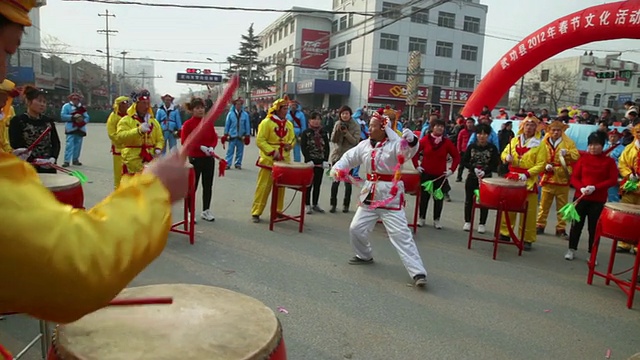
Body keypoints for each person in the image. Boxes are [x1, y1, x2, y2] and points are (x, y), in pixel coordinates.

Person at [0, 0, 190, 327]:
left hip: (144, 160)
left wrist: (155, 142)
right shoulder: (122, 118)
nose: (6, 68)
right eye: (8, 51)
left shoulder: (157, 119)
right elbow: (75, 268)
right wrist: (153, 189)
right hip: (128, 161)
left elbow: (157, 137)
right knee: (122, 195)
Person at [331, 110, 427, 287]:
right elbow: (349, 157)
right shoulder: (364, 145)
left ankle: (418, 272)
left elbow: (407, 152)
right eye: (370, 125)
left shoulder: (395, 144)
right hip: (370, 193)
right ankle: (364, 255)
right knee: (356, 228)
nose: (370, 128)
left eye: (374, 125)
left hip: (390, 195)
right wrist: (338, 167)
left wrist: (412, 140)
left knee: (401, 234)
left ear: (383, 128)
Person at [565, 131, 618, 261]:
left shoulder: (609, 161)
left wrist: (596, 187)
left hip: (597, 200)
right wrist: (581, 187)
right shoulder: (583, 159)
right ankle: (571, 249)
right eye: (591, 145)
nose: (593, 148)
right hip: (580, 198)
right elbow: (574, 178)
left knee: (594, 228)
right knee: (576, 225)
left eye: (596, 145)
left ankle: (592, 253)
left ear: (602, 145)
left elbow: (612, 179)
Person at [500, 113, 546, 251]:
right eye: (527, 124)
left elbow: (541, 164)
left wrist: (527, 174)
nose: (529, 127)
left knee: (529, 210)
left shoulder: (540, 144)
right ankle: (505, 232)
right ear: (522, 126)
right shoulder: (514, 140)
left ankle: (527, 238)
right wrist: (505, 157)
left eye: (532, 125)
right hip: (512, 177)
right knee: (508, 206)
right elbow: (504, 153)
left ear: (536, 128)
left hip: (529, 180)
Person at [251, 97, 295, 223]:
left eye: (287, 108)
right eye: (284, 108)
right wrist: (272, 151)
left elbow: (292, 138)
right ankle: (256, 212)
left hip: (283, 161)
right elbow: (260, 140)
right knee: (263, 186)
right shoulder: (266, 123)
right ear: (277, 109)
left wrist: (290, 145)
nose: (286, 111)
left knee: (281, 188)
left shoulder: (289, 124)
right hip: (268, 160)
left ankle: (278, 210)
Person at [412, 118, 460, 229]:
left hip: (440, 175)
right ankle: (421, 217)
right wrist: (417, 166)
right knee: (424, 197)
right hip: (426, 174)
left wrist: (451, 170)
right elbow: (414, 152)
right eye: (437, 126)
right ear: (432, 127)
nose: (439, 128)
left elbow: (456, 156)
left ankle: (436, 219)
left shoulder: (447, 142)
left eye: (442, 126)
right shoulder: (425, 140)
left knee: (438, 198)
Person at [536, 120, 580, 239]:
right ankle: (540, 224)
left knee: (562, 205)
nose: (555, 132)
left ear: (562, 131)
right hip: (547, 176)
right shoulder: (544, 142)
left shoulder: (568, 143)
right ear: (549, 131)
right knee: (544, 204)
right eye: (553, 130)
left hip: (562, 177)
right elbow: (538, 156)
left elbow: (576, 156)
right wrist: (545, 165)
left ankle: (561, 228)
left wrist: (567, 154)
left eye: (558, 130)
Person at [181, 97, 218, 222]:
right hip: (195, 159)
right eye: (197, 108)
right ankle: (190, 212)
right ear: (192, 110)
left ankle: (206, 210)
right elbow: (185, 141)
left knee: (208, 185)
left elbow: (214, 137)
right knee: (192, 187)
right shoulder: (188, 124)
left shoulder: (208, 123)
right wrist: (199, 147)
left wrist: (212, 147)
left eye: (202, 107)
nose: (200, 110)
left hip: (208, 158)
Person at [9, 85, 60, 173]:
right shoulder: (18, 121)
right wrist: (34, 160)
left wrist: (53, 158)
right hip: (27, 166)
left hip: (48, 165)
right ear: (28, 102)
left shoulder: (48, 121)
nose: (42, 104)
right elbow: (16, 144)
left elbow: (55, 142)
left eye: (44, 102)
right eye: (39, 101)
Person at [461, 124, 500, 233]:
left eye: (484, 134)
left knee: (484, 201)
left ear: (488, 135)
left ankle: (482, 223)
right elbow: (464, 161)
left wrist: (485, 171)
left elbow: (495, 163)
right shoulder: (471, 147)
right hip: (472, 176)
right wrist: (473, 168)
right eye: (479, 134)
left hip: (486, 179)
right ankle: (468, 221)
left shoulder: (492, 148)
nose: (482, 136)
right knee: (469, 200)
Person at [115, 89, 164, 175]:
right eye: (143, 103)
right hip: (132, 162)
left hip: (150, 161)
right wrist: (138, 131)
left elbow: (160, 139)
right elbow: (120, 137)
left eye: (147, 103)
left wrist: (158, 148)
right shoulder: (126, 121)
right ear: (136, 104)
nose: (146, 106)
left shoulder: (154, 122)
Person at [330, 105, 360, 213]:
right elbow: (333, 139)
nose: (344, 115)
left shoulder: (355, 125)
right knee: (335, 181)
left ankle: (345, 205)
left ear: (350, 114)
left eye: (346, 113)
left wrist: (346, 133)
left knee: (347, 182)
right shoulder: (337, 123)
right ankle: (333, 204)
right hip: (337, 156)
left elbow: (355, 142)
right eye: (342, 114)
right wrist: (338, 131)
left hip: (349, 157)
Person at [616, 120, 640, 253]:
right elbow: (622, 164)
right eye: (638, 132)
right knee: (626, 215)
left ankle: (638, 244)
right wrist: (629, 175)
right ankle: (624, 242)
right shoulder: (629, 148)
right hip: (629, 186)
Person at [300, 111, 330, 214]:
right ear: (309, 120)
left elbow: (327, 147)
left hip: (320, 162)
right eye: (314, 119)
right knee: (309, 185)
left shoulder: (323, 133)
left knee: (318, 183)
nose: (316, 121)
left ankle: (315, 203)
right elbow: (303, 147)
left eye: (318, 119)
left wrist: (325, 160)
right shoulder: (306, 133)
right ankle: (307, 204)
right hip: (310, 162)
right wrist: (308, 160)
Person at [106, 96, 130, 189]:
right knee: (118, 171)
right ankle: (118, 189)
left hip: (130, 148)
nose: (126, 106)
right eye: (123, 104)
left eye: (127, 104)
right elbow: (112, 133)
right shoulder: (113, 117)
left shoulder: (129, 116)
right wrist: (122, 139)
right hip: (118, 149)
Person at [60, 93, 89, 167]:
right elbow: (63, 116)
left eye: (77, 99)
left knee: (78, 145)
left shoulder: (81, 108)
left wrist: (82, 121)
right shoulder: (66, 106)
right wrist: (73, 117)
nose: (76, 100)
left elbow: (87, 117)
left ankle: (75, 159)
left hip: (80, 128)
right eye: (74, 99)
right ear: (70, 99)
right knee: (69, 145)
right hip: (71, 128)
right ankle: (66, 161)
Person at [223, 97, 251, 170]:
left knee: (240, 151)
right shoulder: (230, 114)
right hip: (232, 135)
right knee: (230, 151)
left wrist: (247, 135)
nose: (238, 106)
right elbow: (227, 125)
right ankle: (227, 163)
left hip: (241, 136)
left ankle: (238, 163)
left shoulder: (245, 115)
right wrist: (225, 134)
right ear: (234, 105)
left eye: (240, 104)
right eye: (237, 104)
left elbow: (247, 125)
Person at [604, 129, 624, 202]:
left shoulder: (622, 148)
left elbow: (622, 163)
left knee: (613, 196)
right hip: (602, 173)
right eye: (611, 136)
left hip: (614, 173)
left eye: (615, 137)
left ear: (618, 137)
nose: (612, 138)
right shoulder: (604, 146)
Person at [0, 79, 17, 153]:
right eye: (5, 94)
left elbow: (3, 142)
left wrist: (12, 152)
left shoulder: (3, 116)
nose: (7, 98)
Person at [455, 117, 475, 182]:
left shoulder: (475, 132)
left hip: (473, 151)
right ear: (466, 123)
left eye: (471, 123)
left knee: (472, 165)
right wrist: (459, 150)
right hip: (464, 151)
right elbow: (458, 141)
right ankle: (459, 177)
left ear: (473, 123)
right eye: (468, 122)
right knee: (461, 165)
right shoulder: (462, 132)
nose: (469, 124)